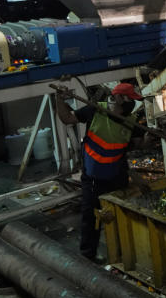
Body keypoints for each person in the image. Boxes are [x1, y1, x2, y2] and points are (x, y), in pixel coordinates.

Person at [56, 82, 144, 260]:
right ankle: (88, 258)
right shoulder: (95, 110)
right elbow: (67, 118)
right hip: (94, 178)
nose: (132, 104)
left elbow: (135, 144)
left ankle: (121, 258)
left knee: (120, 220)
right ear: (118, 97)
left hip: (118, 178)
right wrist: (59, 99)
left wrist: (147, 139)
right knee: (91, 220)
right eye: (130, 99)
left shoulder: (131, 120)